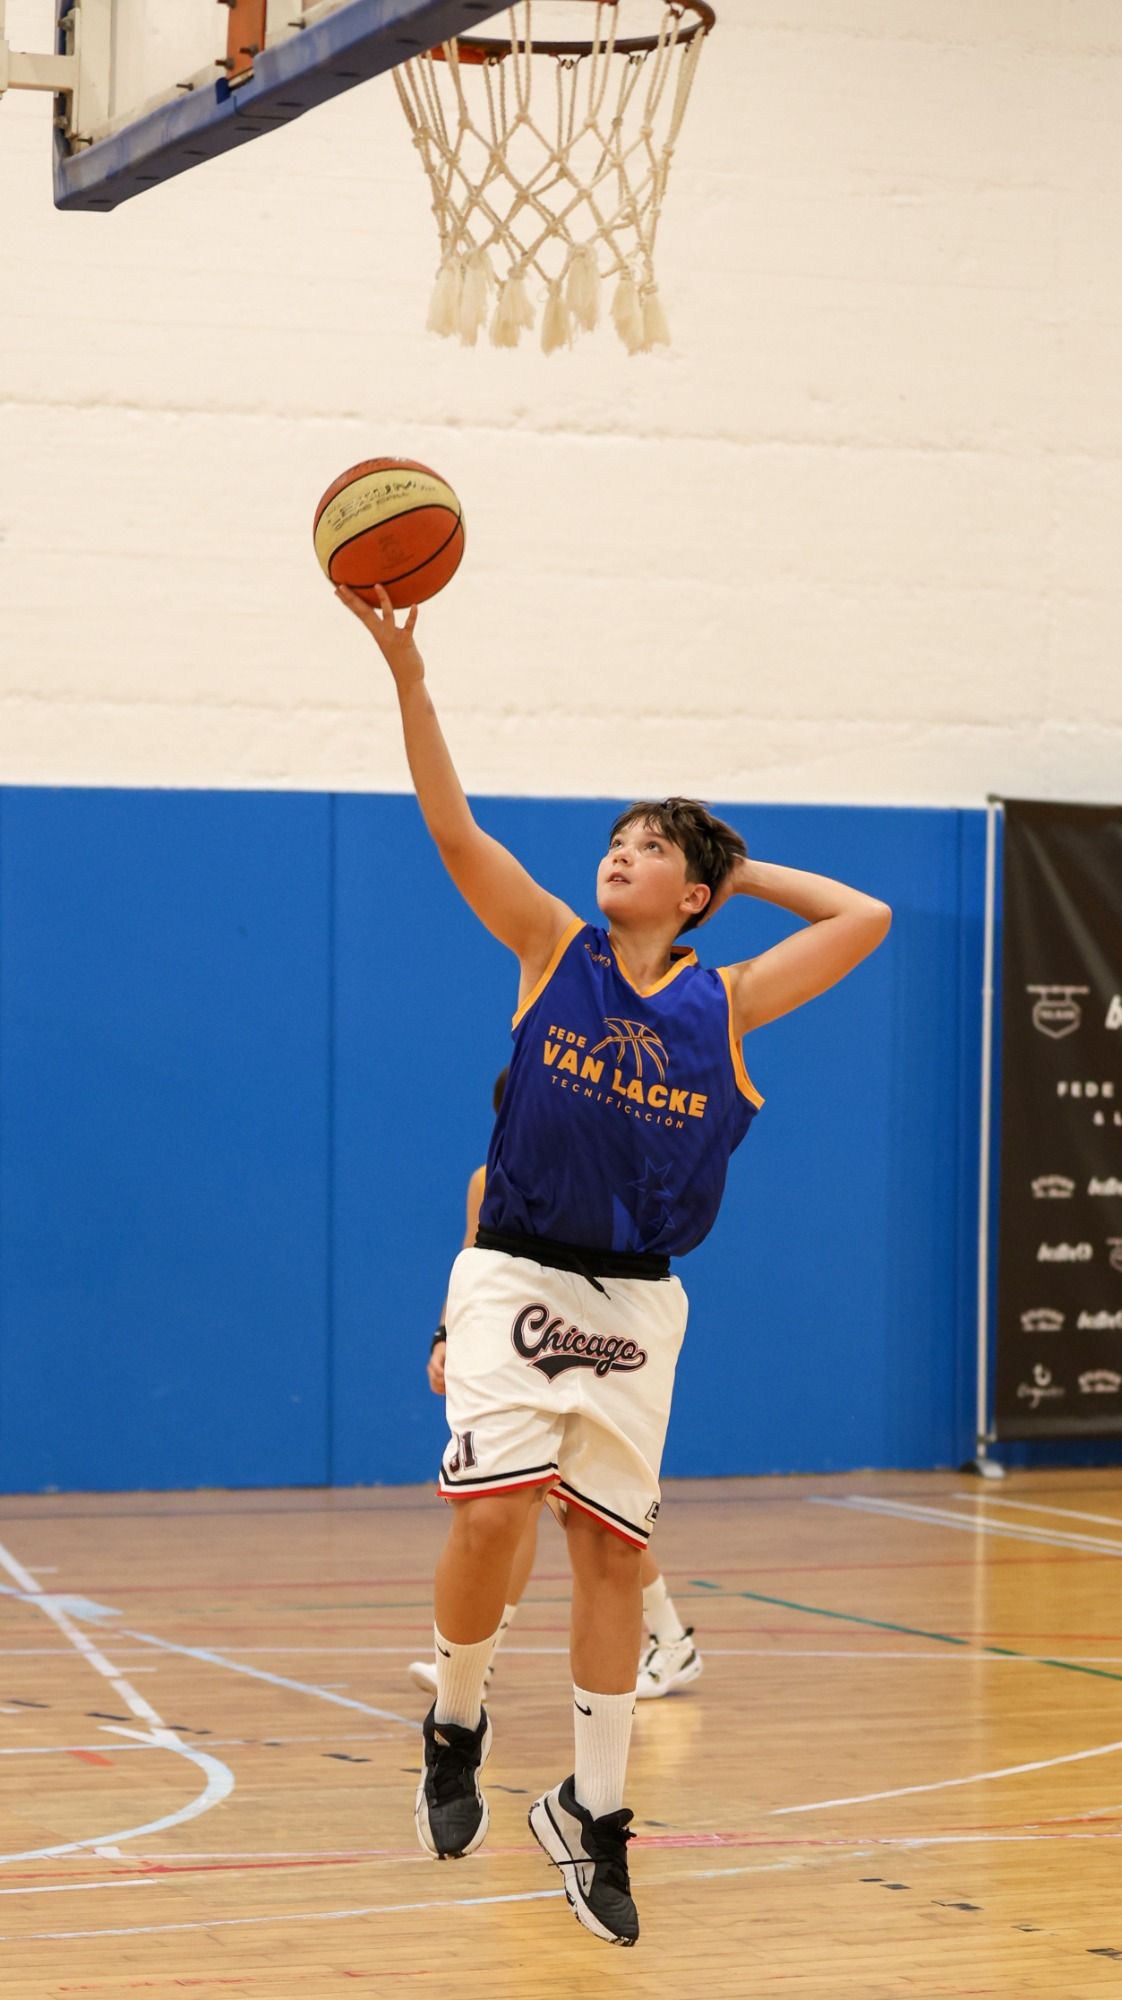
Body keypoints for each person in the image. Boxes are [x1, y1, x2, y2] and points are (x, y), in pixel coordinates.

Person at [337, 581, 891, 1946]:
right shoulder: (550, 948)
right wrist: (409, 678)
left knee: (608, 1553)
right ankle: (455, 1718)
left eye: (650, 848)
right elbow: (452, 827)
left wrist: (737, 867)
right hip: (515, 1273)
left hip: (640, 1300)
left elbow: (864, 916)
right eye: (616, 839)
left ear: (691, 894)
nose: (620, 854)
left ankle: (594, 1815)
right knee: (492, 1520)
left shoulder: (728, 998)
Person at [408, 1065, 703, 1704]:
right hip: (519, 1350)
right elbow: (473, 1259)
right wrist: (446, 1336)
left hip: (587, 1348)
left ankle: (665, 1642)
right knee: (530, 1506)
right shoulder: (491, 1179)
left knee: (587, 1513)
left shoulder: (598, 1175)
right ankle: (665, 1640)